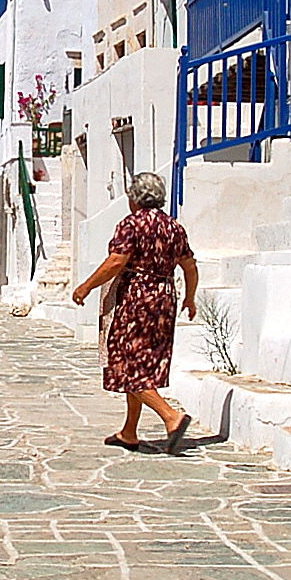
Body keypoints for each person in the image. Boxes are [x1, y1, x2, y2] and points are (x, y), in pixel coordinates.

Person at [73, 172, 199, 454]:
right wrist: (190, 298)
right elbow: (189, 266)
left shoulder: (131, 224)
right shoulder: (174, 228)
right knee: (143, 363)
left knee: (125, 363)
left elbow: (116, 261)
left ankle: (171, 417)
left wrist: (86, 286)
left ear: (134, 198)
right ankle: (129, 432)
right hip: (165, 300)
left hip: (136, 300)